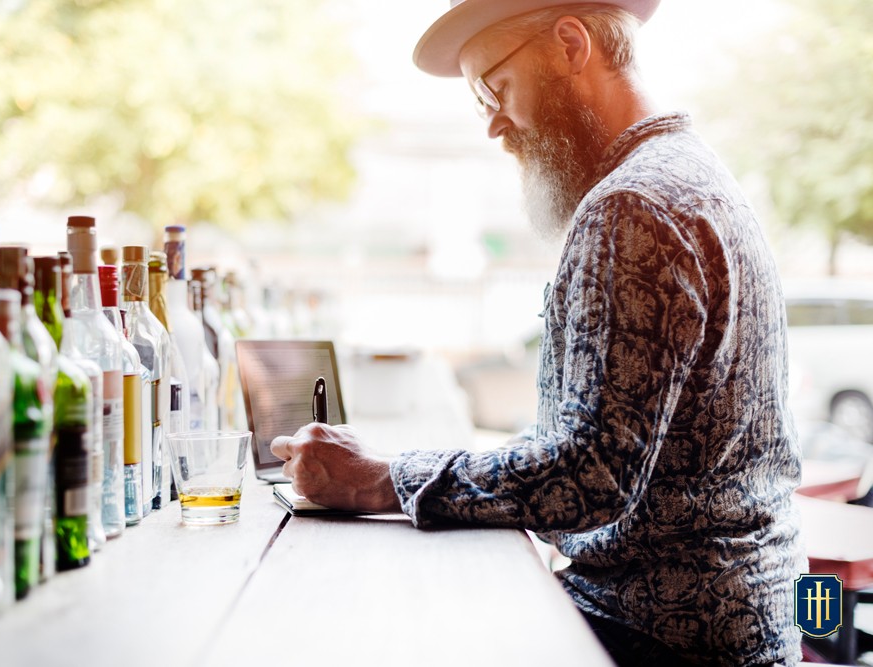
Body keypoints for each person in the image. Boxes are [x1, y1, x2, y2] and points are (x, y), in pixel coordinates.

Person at [271, 1, 806, 665]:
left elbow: (588, 473)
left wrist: (379, 478)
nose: (492, 122)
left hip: (660, 637)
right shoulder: (692, 173)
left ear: (570, 45)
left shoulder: (630, 208)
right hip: (746, 624)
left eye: (493, 88)